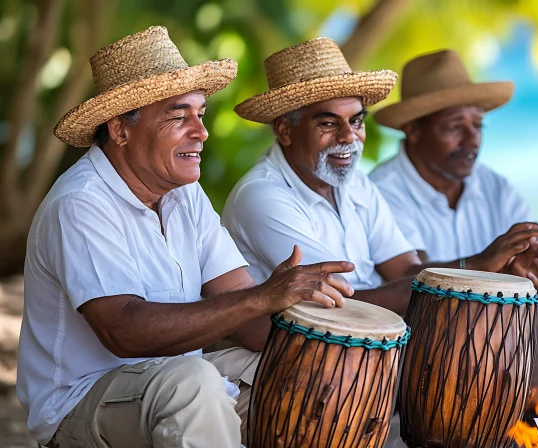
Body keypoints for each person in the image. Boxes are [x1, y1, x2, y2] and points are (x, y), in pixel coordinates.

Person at [16, 26, 354, 448]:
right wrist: (263, 295)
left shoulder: (185, 195)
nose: (201, 131)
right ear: (120, 129)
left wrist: (324, 338)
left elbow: (248, 321)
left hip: (174, 379)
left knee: (309, 370)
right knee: (193, 383)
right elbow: (124, 331)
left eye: (201, 113)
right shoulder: (81, 202)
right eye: (179, 116)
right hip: (81, 401)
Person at [222, 37, 538, 326]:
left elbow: (405, 270)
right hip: (305, 357)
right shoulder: (263, 196)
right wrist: (479, 269)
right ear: (284, 130)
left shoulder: (355, 184)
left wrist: (485, 267)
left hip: (361, 344)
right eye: (328, 123)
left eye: (356, 121)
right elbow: (341, 303)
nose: (349, 137)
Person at [369, 49, 538, 281]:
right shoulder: (380, 191)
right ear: (414, 130)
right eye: (455, 127)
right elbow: (408, 278)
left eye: (478, 125)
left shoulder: (493, 185)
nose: (472, 140)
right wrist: (483, 263)